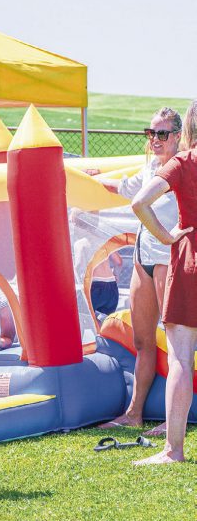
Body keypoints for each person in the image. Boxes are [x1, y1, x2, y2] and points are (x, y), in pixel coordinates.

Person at [93, 108, 181, 432]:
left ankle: (174, 420)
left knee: (176, 344)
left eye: (161, 134)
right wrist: (91, 178)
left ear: (177, 136)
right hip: (143, 258)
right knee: (143, 341)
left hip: (168, 259)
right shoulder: (151, 167)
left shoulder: (183, 167)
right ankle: (134, 413)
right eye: (150, 133)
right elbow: (124, 188)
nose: (154, 140)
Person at [130, 99, 197, 465]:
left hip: (190, 259)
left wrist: (167, 236)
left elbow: (139, 203)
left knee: (181, 358)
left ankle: (174, 450)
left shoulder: (184, 163)